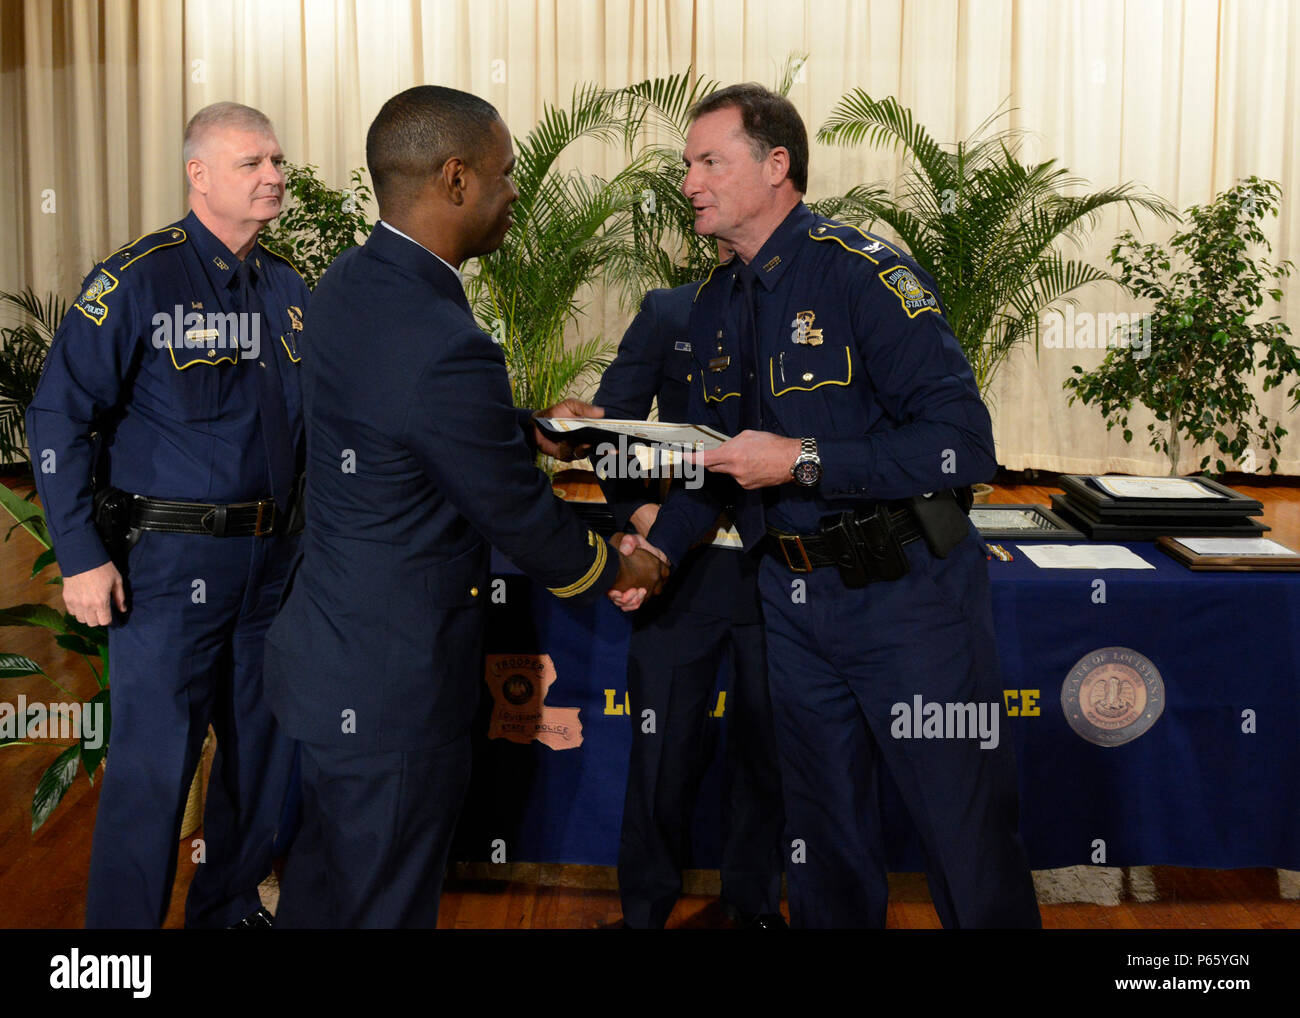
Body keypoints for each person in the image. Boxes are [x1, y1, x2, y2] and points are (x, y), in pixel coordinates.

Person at [261, 84, 667, 929]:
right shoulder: (449, 343)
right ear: (455, 179)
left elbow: (394, 419)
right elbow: (521, 519)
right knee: (383, 907)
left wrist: (521, 428)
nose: (517, 190)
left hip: (330, 657)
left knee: (325, 890)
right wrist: (621, 563)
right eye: (506, 172)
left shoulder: (348, 283)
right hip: (394, 690)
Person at [642, 84, 1041, 928]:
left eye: (709, 161)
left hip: (910, 599)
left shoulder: (865, 275)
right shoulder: (714, 305)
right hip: (790, 606)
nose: (690, 183)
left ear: (776, 165)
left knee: (963, 837)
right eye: (688, 165)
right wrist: (661, 554)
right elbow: (720, 463)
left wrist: (807, 459)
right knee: (824, 845)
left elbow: (963, 446)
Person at [27, 101, 308, 928]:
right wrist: (79, 557)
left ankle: (226, 915)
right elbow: (55, 417)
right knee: (153, 774)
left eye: (278, 161)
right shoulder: (140, 277)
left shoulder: (286, 286)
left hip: (272, 569)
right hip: (166, 568)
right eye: (252, 163)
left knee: (262, 763)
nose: (274, 177)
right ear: (199, 175)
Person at [591, 262, 785, 929]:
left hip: (778, 573)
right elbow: (609, 431)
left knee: (766, 754)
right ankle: (644, 915)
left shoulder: (802, 316)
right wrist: (637, 517)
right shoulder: (670, 311)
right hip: (678, 573)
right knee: (661, 757)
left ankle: (751, 909)